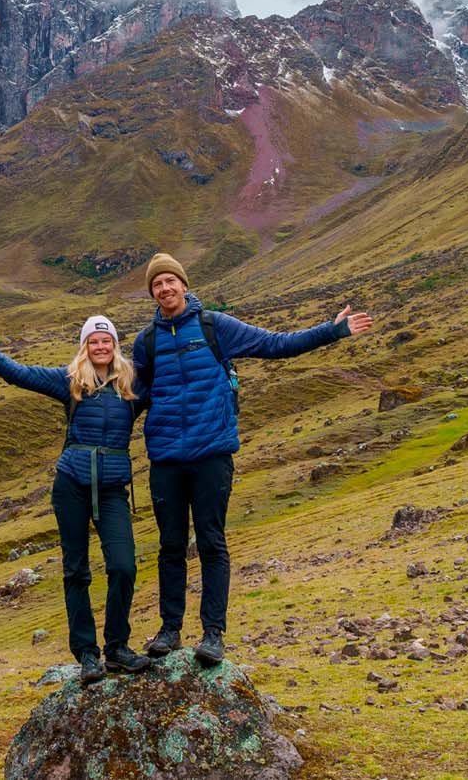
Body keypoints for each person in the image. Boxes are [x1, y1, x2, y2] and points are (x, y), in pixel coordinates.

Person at [133, 253, 373, 665]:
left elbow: (275, 344)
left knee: (211, 541)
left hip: (212, 454)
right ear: (152, 292)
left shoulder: (215, 326)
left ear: (184, 286)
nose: (165, 289)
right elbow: (133, 399)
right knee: (171, 545)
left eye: (171, 281)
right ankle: (169, 630)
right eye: (158, 284)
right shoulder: (146, 342)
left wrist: (331, 332)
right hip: (167, 458)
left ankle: (212, 634)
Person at [0, 317, 154, 684]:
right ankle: (88, 654)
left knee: (123, 566)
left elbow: (175, 385)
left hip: (112, 490)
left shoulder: (132, 384)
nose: (101, 346)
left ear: (115, 345)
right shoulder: (70, 380)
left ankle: (118, 647)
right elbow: (19, 374)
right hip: (72, 484)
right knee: (76, 571)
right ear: (85, 346)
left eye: (107, 340)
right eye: (94, 341)